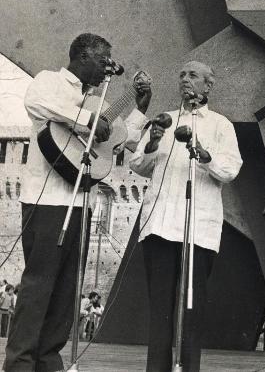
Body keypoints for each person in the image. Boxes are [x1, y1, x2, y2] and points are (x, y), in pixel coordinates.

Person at [3, 33, 152, 372]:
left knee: (67, 286)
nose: (107, 69)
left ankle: (48, 359)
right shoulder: (50, 82)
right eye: (103, 61)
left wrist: (138, 110)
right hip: (48, 202)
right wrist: (87, 120)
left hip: (81, 203)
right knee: (39, 283)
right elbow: (36, 103)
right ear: (83, 56)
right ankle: (20, 362)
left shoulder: (94, 102)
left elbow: (115, 141)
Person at [130, 60, 243, 372]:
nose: (184, 80)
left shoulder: (221, 125)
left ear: (207, 85)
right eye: (181, 74)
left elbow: (230, 170)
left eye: (192, 75)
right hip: (160, 227)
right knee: (161, 311)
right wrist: (152, 141)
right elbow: (138, 164)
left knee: (191, 309)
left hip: (198, 229)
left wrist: (202, 154)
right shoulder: (163, 120)